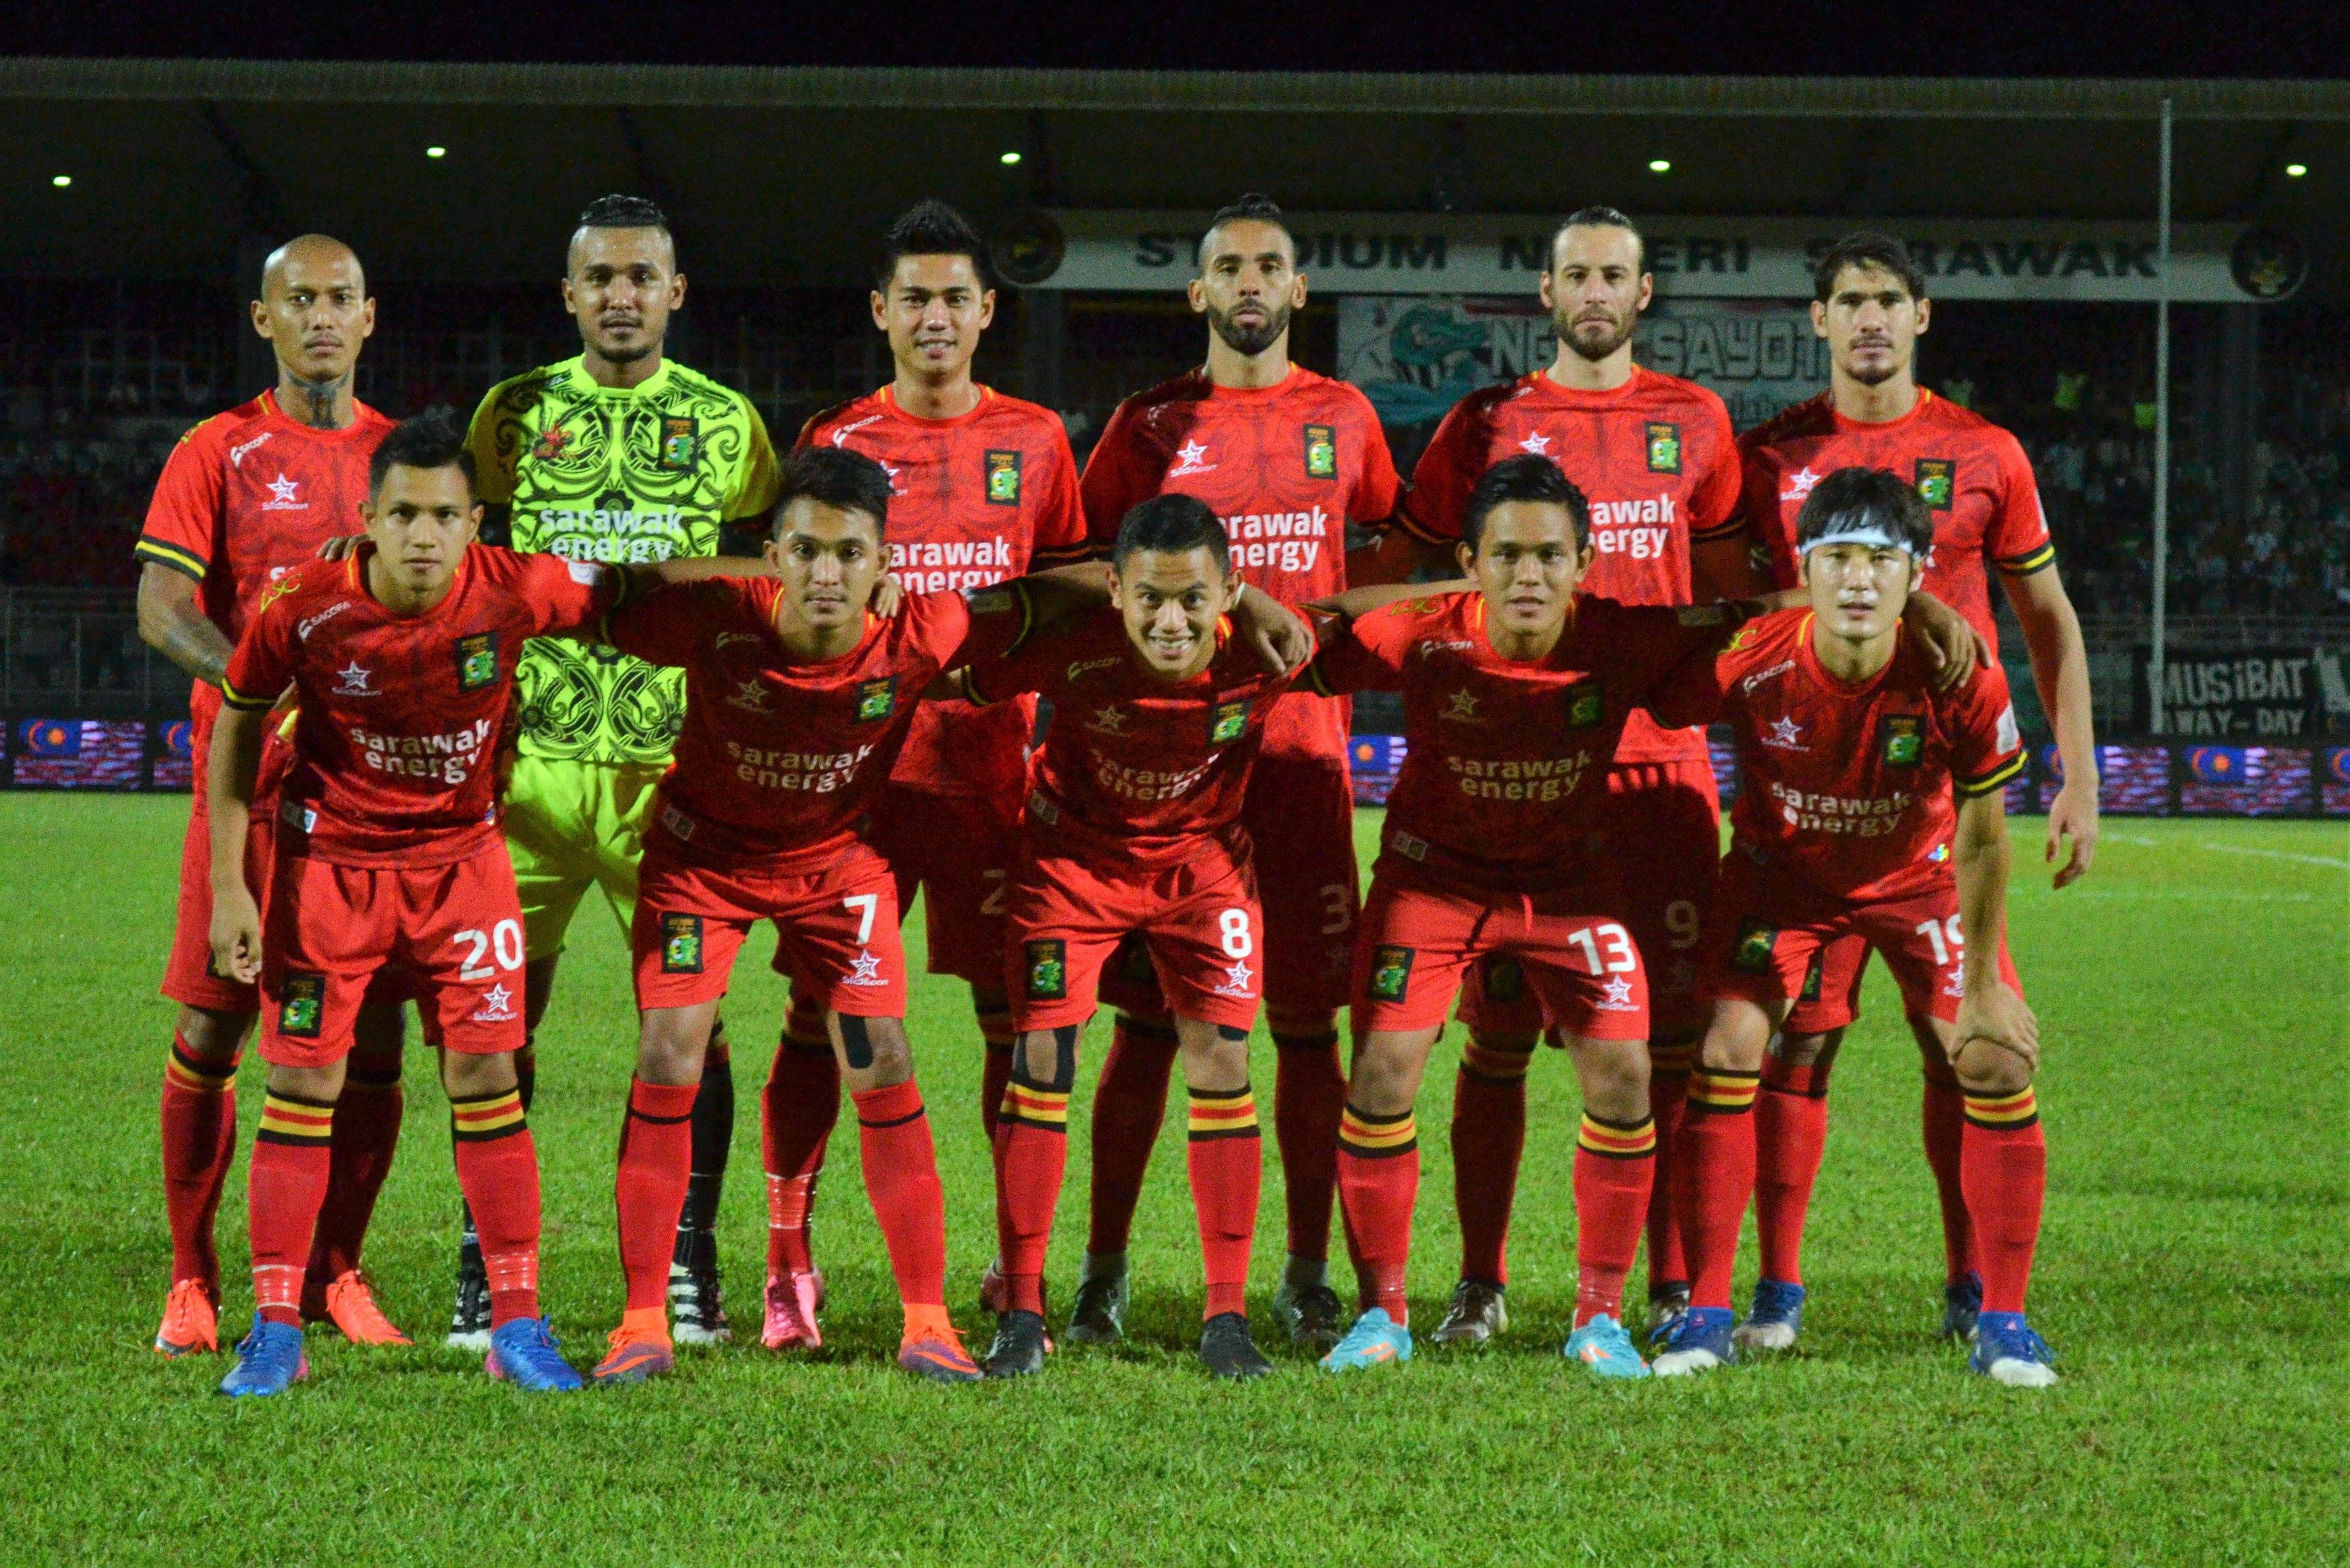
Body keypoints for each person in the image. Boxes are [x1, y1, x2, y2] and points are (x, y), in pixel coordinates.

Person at [1359, 205, 1756, 1347]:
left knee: (1659, 1043)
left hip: (1657, 782)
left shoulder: (1698, 419)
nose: (1594, 293)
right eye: (1574, 274)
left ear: (1644, 294)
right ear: (1545, 293)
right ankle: (1480, 1284)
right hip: (1503, 776)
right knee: (1490, 1039)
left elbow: (1723, 599)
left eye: (1614, 276)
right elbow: (1409, 569)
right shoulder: (1485, 424)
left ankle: (1671, 1283)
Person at [204, 410, 638, 1395]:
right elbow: (235, 732)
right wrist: (232, 883)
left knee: (488, 1079)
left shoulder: (516, 586)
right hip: (330, 872)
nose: (424, 536)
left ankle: (518, 1327)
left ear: (475, 521)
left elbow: (635, 596)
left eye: (445, 515)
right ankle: (276, 1329)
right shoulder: (303, 604)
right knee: (304, 1087)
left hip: (464, 868)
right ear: (368, 517)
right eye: (403, 513)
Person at [1732, 233, 2093, 1345]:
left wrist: (2078, 771)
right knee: (1797, 1045)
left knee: (1971, 1047)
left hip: (1945, 806)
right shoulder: (1767, 458)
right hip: (1808, 805)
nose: (1872, 319)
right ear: (1820, 320)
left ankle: (1973, 1287)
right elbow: (1732, 621)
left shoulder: (1984, 450)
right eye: (1851, 301)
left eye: (1891, 300)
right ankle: (1778, 1290)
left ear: (1922, 316)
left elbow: (2047, 623)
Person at [1070, 194, 1400, 1348]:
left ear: (1299, 292)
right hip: (1165, 772)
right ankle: (1104, 1271)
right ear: (1197, 293)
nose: (1251, 284)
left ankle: (1307, 1271)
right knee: (1148, 1027)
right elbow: (1081, 569)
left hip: (1303, 764)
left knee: (1310, 1024)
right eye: (1229, 268)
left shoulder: (1349, 418)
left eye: (1271, 265)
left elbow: (1387, 565)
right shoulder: (1145, 424)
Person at [1652, 465, 2054, 1387]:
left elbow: (1988, 841)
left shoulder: (1962, 677)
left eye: (1883, 560)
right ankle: (1714, 1310)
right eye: (1838, 558)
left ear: (1919, 575)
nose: (1860, 580)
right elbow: (1654, 672)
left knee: (1993, 1058)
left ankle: (2003, 1318)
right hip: (1778, 886)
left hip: (1917, 885)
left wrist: (1988, 983)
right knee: (1725, 1050)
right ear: (1808, 567)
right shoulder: (1752, 654)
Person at [460, 194, 780, 1349]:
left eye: (642, 276)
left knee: (691, 1032)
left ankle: (688, 1266)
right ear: (569, 293)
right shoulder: (514, 413)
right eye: (599, 278)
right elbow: (473, 570)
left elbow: (759, 577)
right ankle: (484, 1267)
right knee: (496, 1020)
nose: (621, 296)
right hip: (533, 766)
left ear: (676, 292)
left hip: (671, 779)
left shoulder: (730, 423)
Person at [774, 200, 1089, 1345]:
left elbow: (1065, 602)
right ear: (881, 312)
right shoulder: (840, 441)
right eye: (915, 298)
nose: (936, 317)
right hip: (855, 786)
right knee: (820, 1014)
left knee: (1017, 1024)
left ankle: (1017, 1276)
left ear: (987, 311)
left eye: (957, 297)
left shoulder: (1041, 441)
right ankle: (786, 1263)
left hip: (994, 783)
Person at [962, 494, 1345, 1380]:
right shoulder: (1066, 646)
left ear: (1227, 591)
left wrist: (1255, 604)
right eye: (1149, 601)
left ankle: (1226, 1316)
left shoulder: (1270, 646)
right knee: (1042, 1063)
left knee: (1223, 1063)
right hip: (1071, 866)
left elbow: (1373, 616)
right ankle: (1023, 1310)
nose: (1171, 623)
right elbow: (973, 629)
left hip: (1203, 871)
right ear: (1114, 591)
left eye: (1193, 601)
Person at [135, 234, 413, 1358]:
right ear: (265, 320)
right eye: (298, 300)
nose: (321, 317)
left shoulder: (404, 456)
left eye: (340, 298)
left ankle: (338, 1271)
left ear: (368, 314)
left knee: (374, 1032)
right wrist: (248, 680)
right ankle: (192, 1278)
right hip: (249, 781)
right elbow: (162, 605)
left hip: (372, 795)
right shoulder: (220, 448)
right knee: (215, 1019)